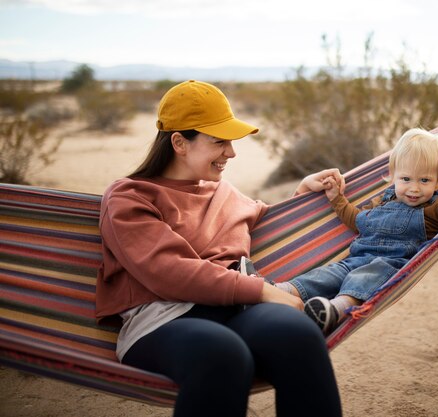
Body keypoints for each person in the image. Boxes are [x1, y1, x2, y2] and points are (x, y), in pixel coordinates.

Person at [96, 80, 343, 417]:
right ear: (180, 142)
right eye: (219, 142)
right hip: (163, 319)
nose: (231, 152)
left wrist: (303, 194)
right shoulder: (129, 197)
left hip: (236, 310)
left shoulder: (223, 193)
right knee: (222, 355)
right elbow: (167, 271)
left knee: (298, 335)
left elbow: (267, 223)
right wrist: (260, 291)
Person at [276, 128, 438, 334]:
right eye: (406, 179)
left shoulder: (435, 205)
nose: (414, 188)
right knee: (326, 274)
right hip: (355, 258)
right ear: (392, 175)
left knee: (363, 279)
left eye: (424, 180)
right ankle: (280, 290)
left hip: (390, 264)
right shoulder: (382, 201)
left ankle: (335, 311)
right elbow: (357, 220)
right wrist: (336, 198)